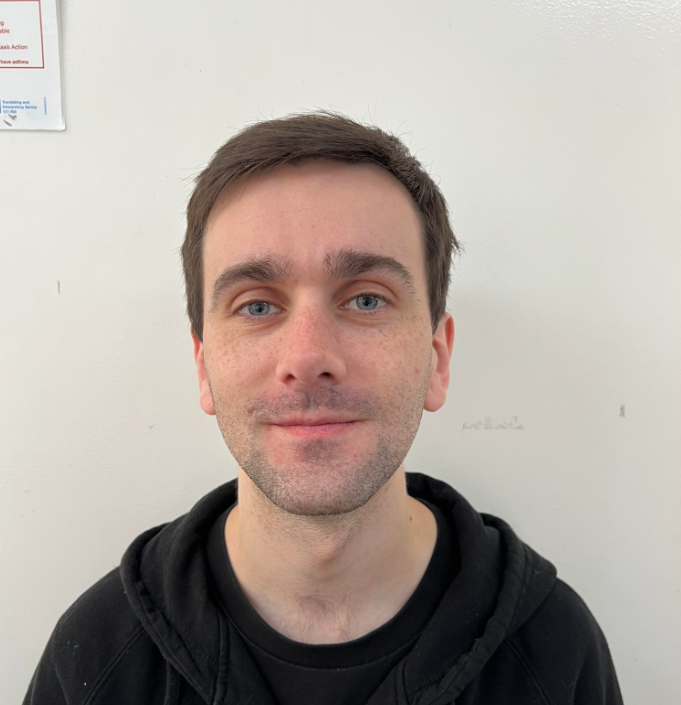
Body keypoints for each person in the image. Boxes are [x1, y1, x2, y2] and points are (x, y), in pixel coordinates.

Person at [23, 111, 623, 705]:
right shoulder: (98, 658)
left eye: (366, 299)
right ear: (204, 367)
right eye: (257, 306)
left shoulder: (554, 652)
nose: (308, 357)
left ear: (437, 359)